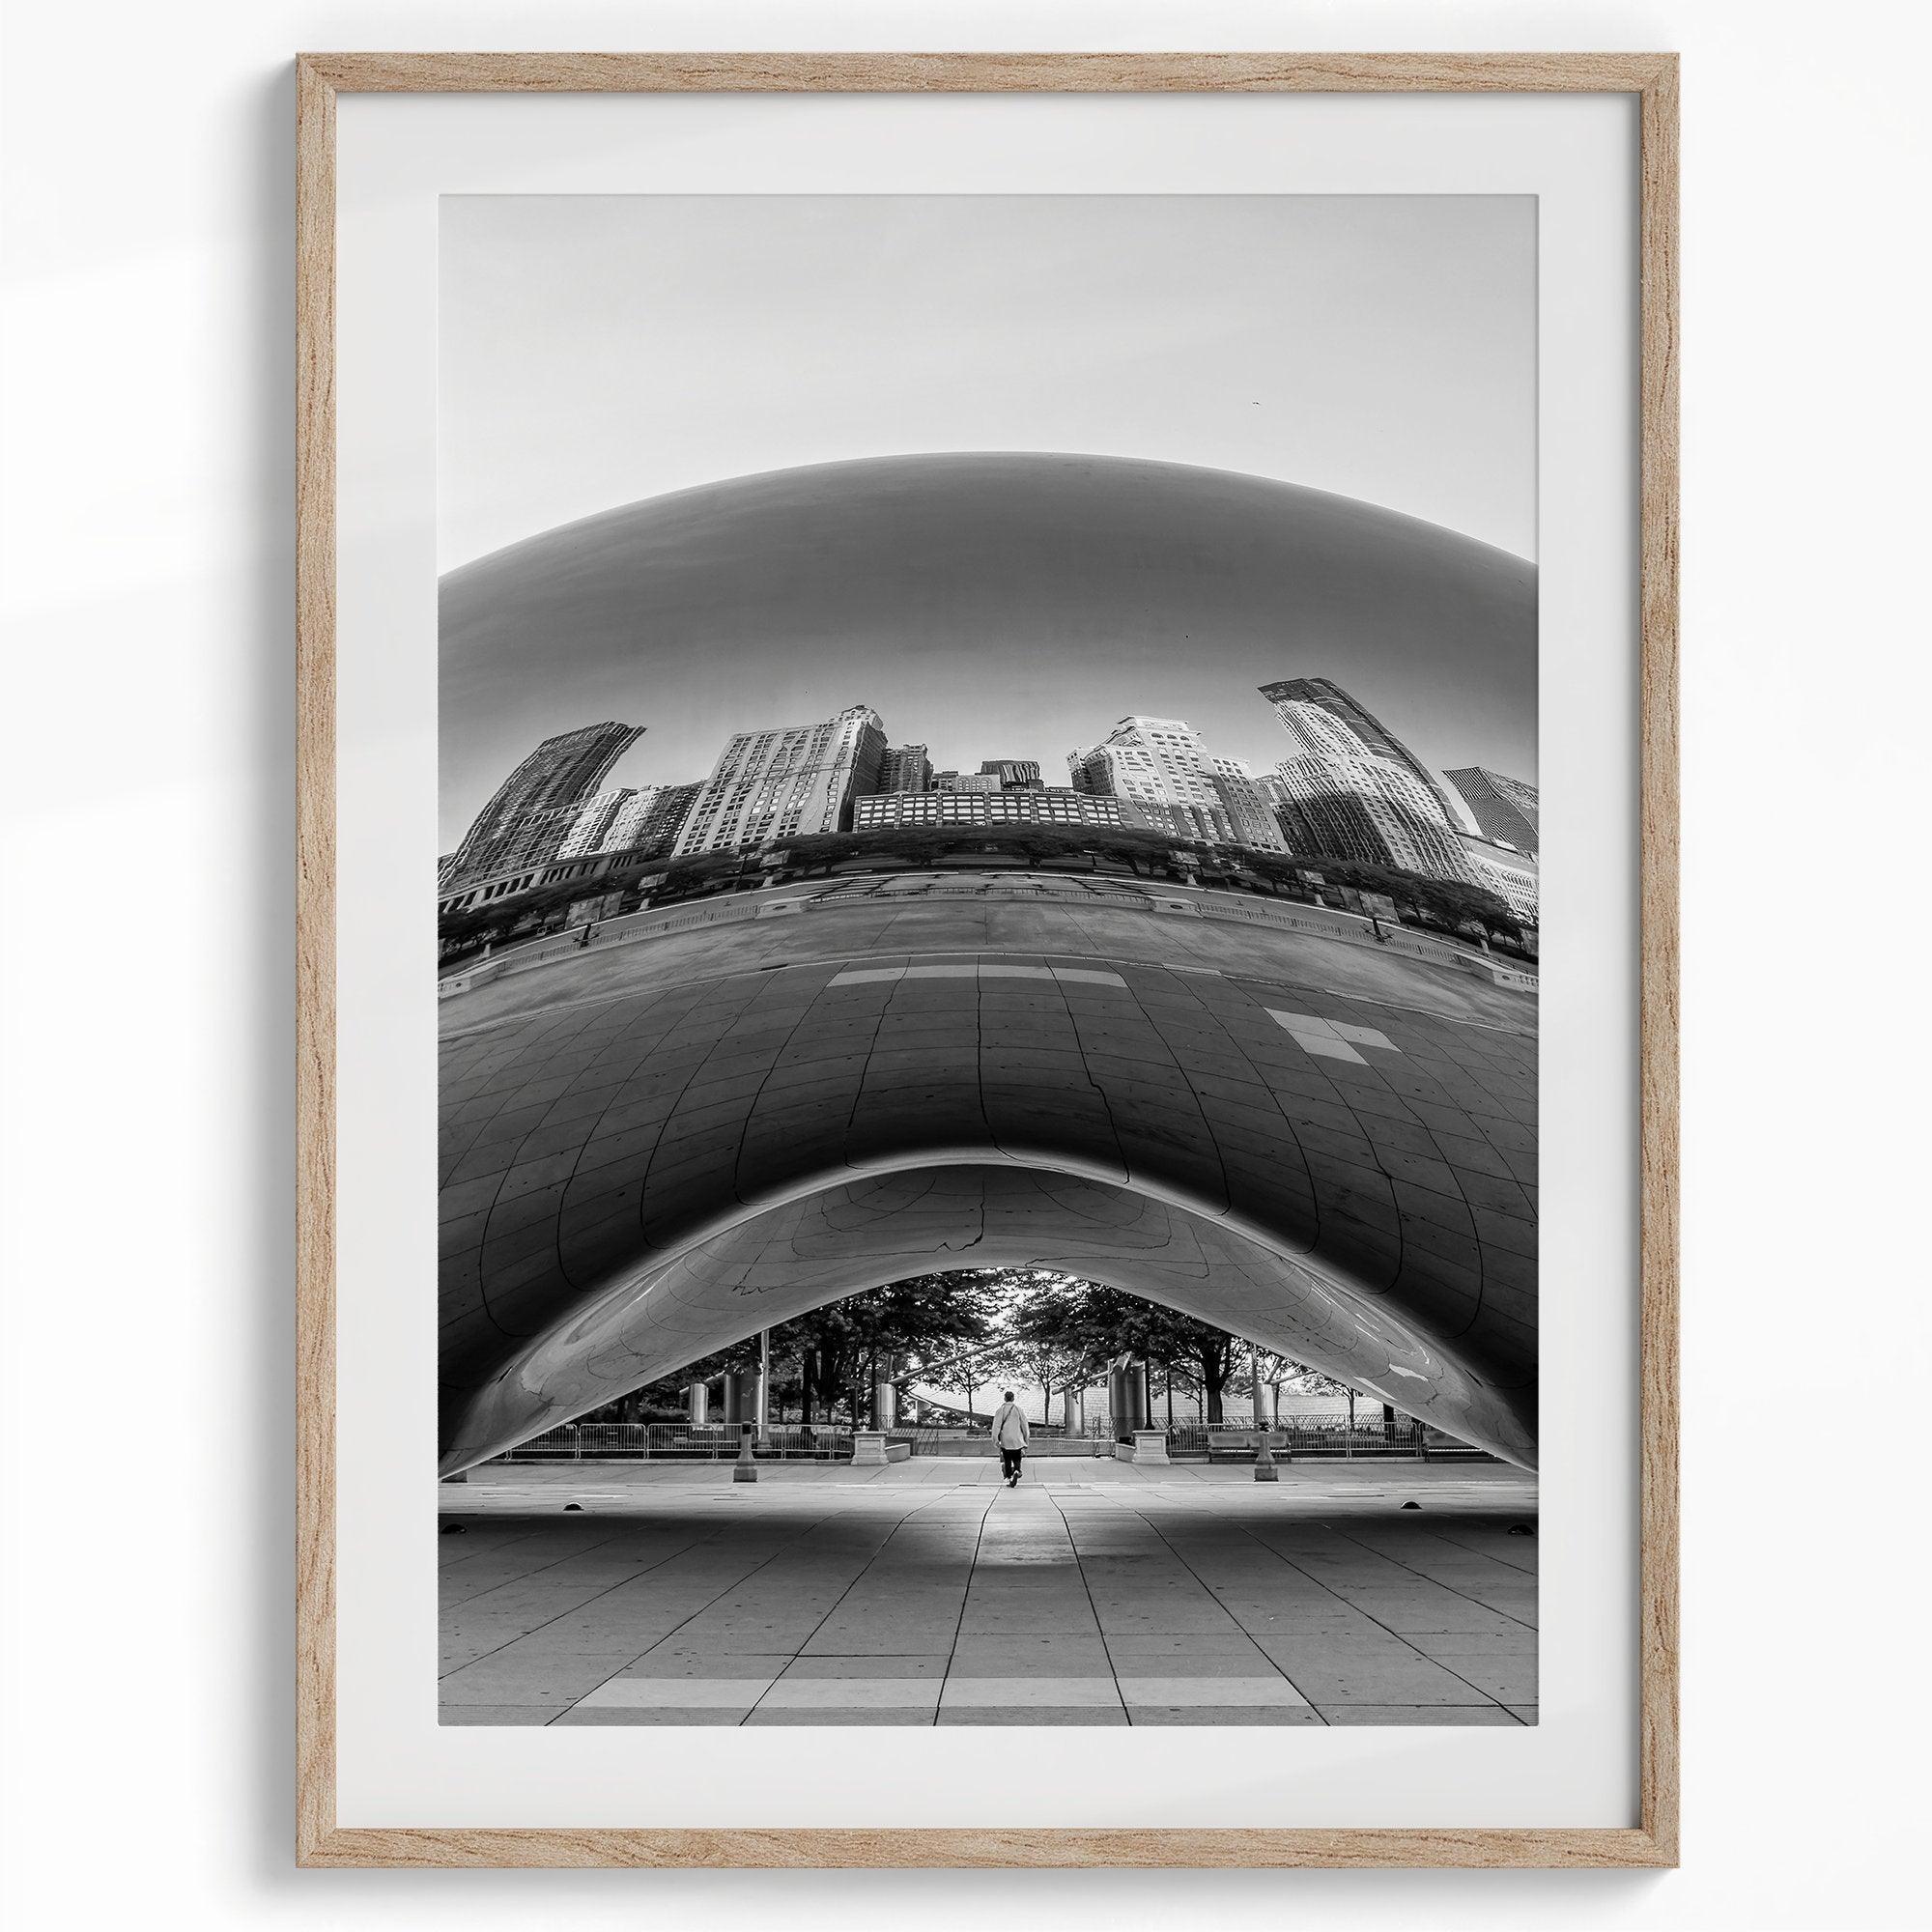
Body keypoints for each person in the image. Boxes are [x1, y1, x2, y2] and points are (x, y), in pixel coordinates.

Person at [991, 1389, 1030, 1486]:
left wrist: (995, 1439)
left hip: (1005, 1439)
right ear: (1013, 1398)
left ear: (1004, 1398)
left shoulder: (1000, 1410)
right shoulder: (1018, 1409)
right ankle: (1017, 1471)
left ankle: (1009, 1477)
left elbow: (996, 1426)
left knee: (1007, 1459)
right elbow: (1024, 1425)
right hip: (1017, 1439)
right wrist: (1026, 1439)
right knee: (1017, 1458)